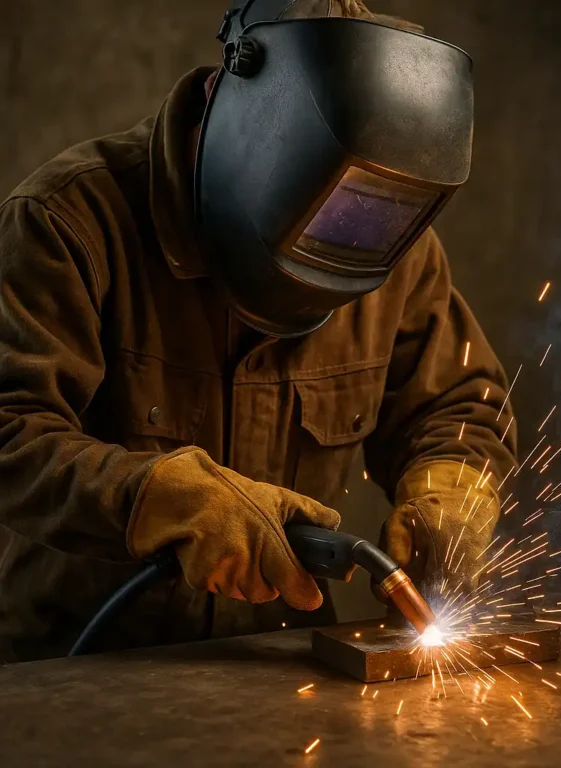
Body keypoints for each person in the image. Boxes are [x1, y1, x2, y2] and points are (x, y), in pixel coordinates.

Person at [0, 0, 516, 663]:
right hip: (79, 671)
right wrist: (153, 498)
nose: (339, 235)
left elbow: (457, 403)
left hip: (277, 670)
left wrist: (450, 484)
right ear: (231, 103)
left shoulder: (392, 248)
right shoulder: (67, 224)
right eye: (313, 206)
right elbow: (9, 429)